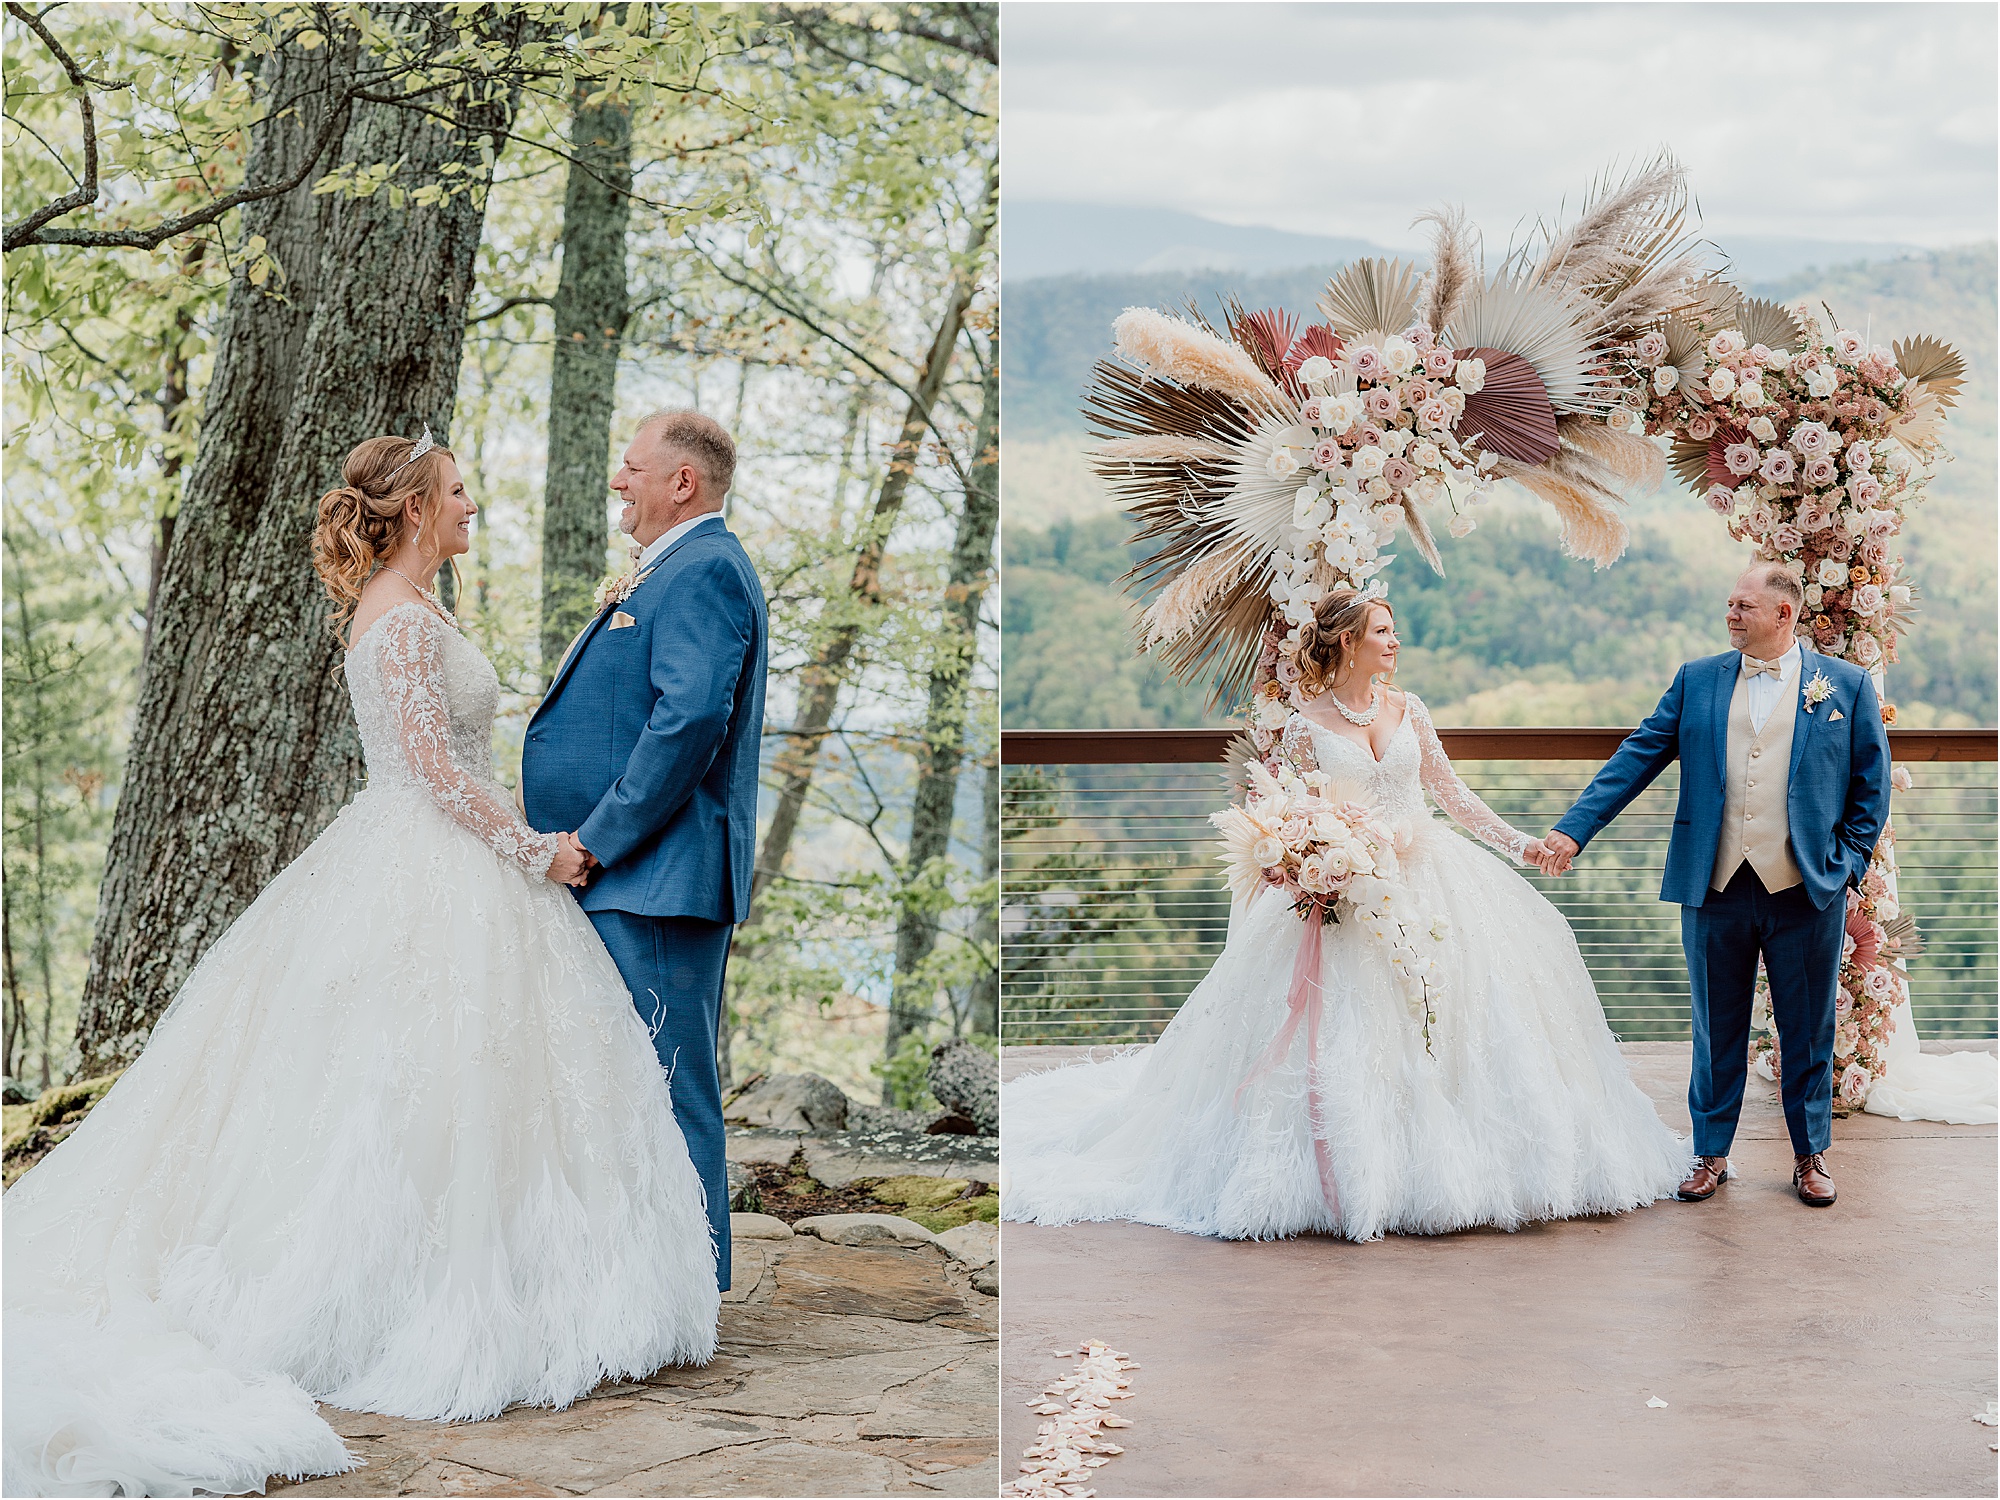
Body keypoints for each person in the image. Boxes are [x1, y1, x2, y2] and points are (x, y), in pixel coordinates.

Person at [2, 431, 720, 1497]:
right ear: (417, 509)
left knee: (483, 1087)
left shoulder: (420, 609)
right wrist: (537, 850)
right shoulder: (396, 623)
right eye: (461, 490)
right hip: (427, 867)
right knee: (402, 1086)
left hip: (451, 867)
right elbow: (430, 770)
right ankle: (390, 1300)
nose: (474, 504)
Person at [1001, 589, 1691, 1243]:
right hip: (1345, 888)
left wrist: (1521, 844)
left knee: (1464, 1016)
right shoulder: (1305, 728)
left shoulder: (1409, 708)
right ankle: (1344, 1173)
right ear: (1347, 644)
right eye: (1383, 631)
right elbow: (1289, 813)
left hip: (1430, 875)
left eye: (1392, 631)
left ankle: (1456, 1162)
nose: (1395, 641)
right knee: (1346, 1031)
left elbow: (1451, 794)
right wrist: (1311, 860)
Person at [1541, 563, 1891, 1208]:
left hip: (1807, 889)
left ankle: (1810, 1156)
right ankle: (1710, 1153)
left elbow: (1871, 790)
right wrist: (1573, 830)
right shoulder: (1697, 680)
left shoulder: (1846, 685)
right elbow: (1637, 755)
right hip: (1716, 884)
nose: (1729, 614)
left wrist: (1844, 867)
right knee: (1715, 1026)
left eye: (1743, 605)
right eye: (1728, 603)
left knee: (1807, 1028)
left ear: (1783, 615)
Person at [520, 410, 768, 1291]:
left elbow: (689, 722)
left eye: (631, 467)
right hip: (630, 880)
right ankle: (638, 1278)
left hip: (656, 880)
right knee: (629, 1084)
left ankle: (688, 1289)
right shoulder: (674, 568)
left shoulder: (704, 571)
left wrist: (595, 839)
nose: (619, 482)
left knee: (670, 1087)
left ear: (682, 482)